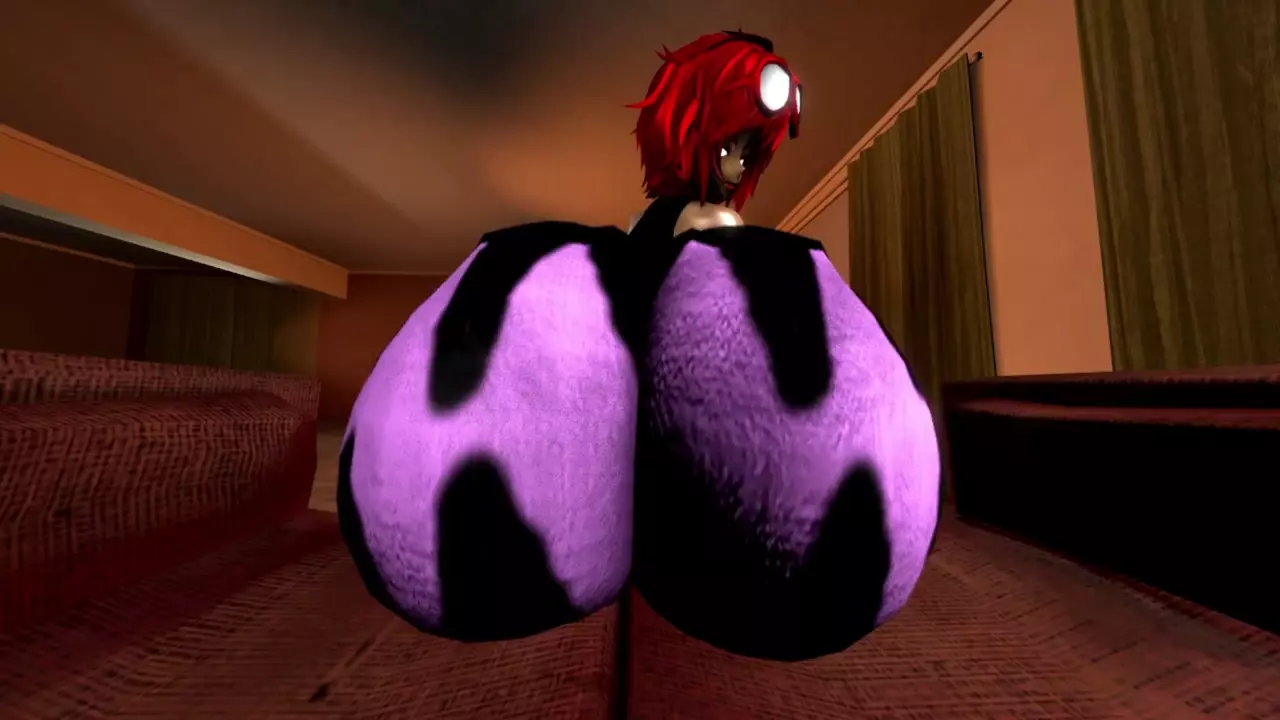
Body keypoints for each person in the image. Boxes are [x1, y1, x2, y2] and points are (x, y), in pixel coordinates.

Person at [626, 31, 802, 239]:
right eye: (725, 150)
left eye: (745, 159)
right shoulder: (721, 219)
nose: (738, 169)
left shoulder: (637, 222)